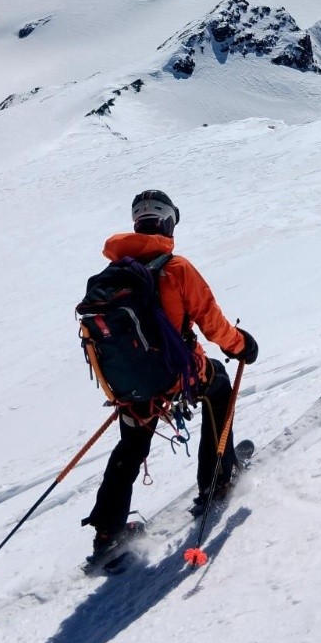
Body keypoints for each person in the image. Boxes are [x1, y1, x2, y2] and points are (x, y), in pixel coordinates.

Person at [82, 188, 258, 562]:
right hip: (177, 376)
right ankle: (217, 480)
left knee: (131, 446)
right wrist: (240, 345)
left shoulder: (110, 275)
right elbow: (212, 324)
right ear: (166, 223)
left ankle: (107, 532)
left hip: (131, 387)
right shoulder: (176, 269)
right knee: (219, 387)